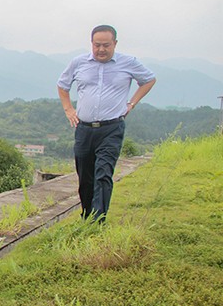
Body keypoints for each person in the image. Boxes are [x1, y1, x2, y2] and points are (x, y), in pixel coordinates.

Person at [57, 25, 156, 222]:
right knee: (85, 177)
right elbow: (63, 85)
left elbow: (148, 80)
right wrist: (68, 109)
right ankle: (87, 216)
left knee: (103, 174)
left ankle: (98, 221)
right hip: (84, 129)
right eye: (97, 45)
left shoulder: (128, 63)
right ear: (91, 44)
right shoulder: (79, 63)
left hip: (112, 128)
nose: (101, 49)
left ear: (115, 44)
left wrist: (132, 103)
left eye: (106, 45)